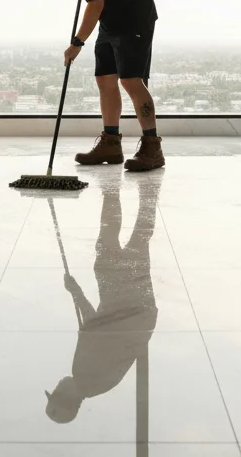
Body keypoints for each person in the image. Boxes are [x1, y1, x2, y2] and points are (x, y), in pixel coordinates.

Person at [42, 0, 164, 172]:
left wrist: (76, 43)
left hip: (133, 17)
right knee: (104, 78)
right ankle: (111, 142)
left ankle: (152, 147)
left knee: (131, 80)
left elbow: (94, 5)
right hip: (112, 18)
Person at [45, 176, 162, 424]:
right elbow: (92, 325)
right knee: (112, 245)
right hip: (128, 306)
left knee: (137, 242)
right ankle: (114, 192)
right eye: (56, 390)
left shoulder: (95, 385)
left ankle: (145, 192)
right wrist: (75, 291)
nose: (57, 383)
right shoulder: (85, 375)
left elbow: (95, 327)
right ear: (64, 395)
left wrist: (77, 292)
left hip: (136, 311)